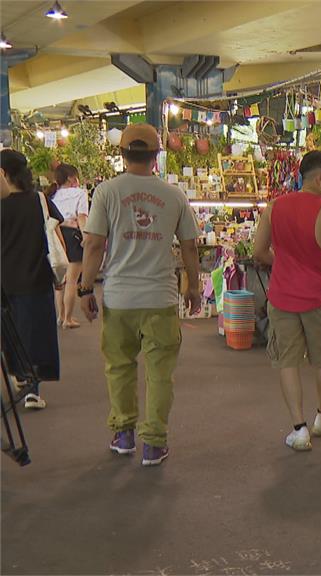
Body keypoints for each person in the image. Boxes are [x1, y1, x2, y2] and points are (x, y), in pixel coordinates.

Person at [80, 123, 202, 467]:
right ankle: (154, 443)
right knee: (160, 373)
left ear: (122, 153)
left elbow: (93, 244)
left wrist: (85, 287)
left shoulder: (106, 191)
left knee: (119, 367)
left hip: (118, 297)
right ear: (157, 155)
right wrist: (193, 287)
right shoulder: (174, 194)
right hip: (160, 298)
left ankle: (123, 434)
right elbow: (190, 246)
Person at [253, 150, 321, 452]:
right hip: (318, 297)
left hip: (281, 297)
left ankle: (298, 429)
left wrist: (282, 262)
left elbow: (259, 252)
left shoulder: (274, 207)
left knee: (287, 362)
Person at [1, 149, 62, 410]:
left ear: (3, 174)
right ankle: (32, 390)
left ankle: (16, 379)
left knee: (7, 335)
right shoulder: (39, 199)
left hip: (4, 281)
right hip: (35, 278)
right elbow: (55, 226)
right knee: (34, 335)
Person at [48, 163, 89, 329]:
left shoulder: (52, 195)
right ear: (72, 178)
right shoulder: (80, 193)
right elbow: (82, 217)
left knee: (60, 281)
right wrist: (86, 237)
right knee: (72, 280)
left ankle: (60, 316)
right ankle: (68, 319)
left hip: (56, 236)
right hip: (73, 237)